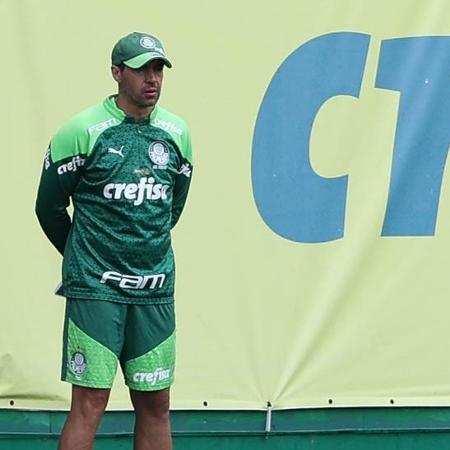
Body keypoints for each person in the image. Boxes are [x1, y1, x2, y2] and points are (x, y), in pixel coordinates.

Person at [35, 31, 193, 450]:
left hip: (155, 290)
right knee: (90, 404)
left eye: (158, 69)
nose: (153, 79)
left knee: (157, 405)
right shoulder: (82, 130)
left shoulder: (177, 134)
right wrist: (81, 258)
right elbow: (47, 208)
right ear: (117, 73)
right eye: (142, 69)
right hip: (96, 289)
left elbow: (168, 211)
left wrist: (141, 251)